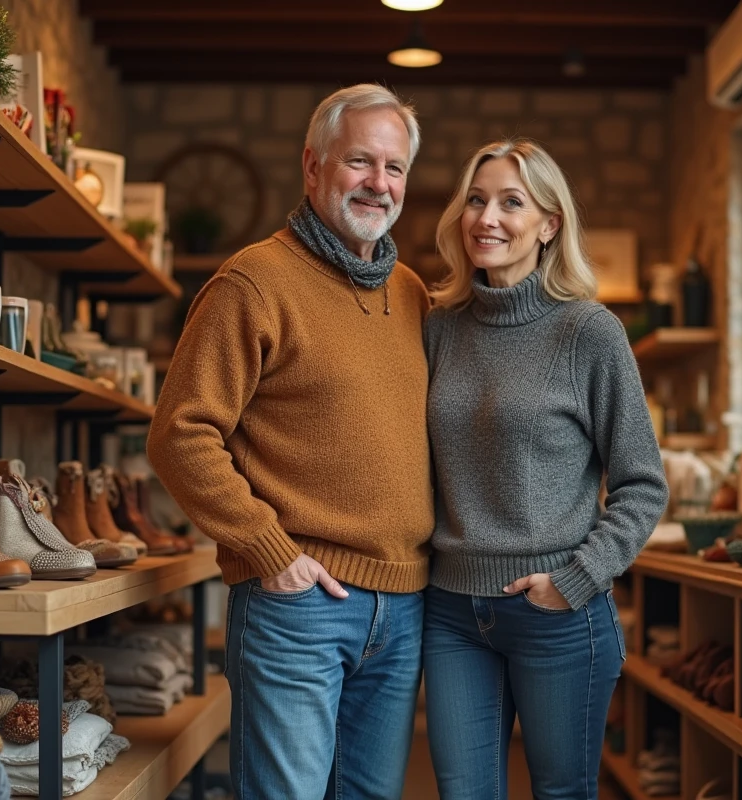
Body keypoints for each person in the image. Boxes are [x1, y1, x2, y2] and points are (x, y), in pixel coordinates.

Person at [147, 85, 433, 799]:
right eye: (359, 162)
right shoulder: (252, 282)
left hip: (401, 607)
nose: (379, 183)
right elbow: (180, 434)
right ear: (313, 167)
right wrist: (269, 551)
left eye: (394, 168)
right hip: (298, 605)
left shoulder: (415, 293)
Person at [422, 139, 669, 799]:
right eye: (476, 200)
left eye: (510, 202)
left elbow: (644, 485)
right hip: (450, 612)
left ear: (549, 224)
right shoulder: (439, 328)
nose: (486, 218)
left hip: (556, 613)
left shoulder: (589, 332)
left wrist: (577, 579)